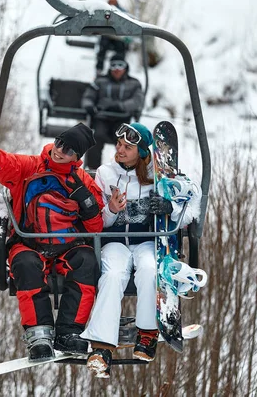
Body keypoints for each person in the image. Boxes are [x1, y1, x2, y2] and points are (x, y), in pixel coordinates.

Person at [0, 122, 104, 362]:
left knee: (87, 261)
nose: (60, 151)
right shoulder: (29, 168)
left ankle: (69, 331)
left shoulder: (83, 182)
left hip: (67, 247)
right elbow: (1, 161)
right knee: (25, 264)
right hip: (30, 243)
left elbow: (96, 228)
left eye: (68, 150)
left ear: (76, 157)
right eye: (59, 143)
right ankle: (39, 334)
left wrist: (87, 204)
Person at [79, 122, 195, 378]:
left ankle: (147, 332)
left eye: (127, 147)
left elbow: (187, 206)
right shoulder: (104, 173)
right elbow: (99, 221)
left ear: (141, 152)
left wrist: (167, 207)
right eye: (119, 145)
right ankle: (101, 346)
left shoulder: (159, 175)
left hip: (146, 240)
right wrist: (111, 209)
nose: (119, 150)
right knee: (113, 275)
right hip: (115, 242)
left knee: (149, 270)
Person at [82, 55, 145, 170]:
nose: (117, 69)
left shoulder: (133, 83)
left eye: (120, 65)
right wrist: (89, 106)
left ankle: (123, 168)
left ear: (126, 68)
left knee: (124, 141)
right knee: (96, 137)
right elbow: (88, 96)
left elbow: (137, 100)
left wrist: (121, 106)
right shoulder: (100, 81)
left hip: (122, 119)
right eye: (113, 65)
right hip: (102, 118)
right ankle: (93, 169)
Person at [95, 0, 131, 75]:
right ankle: (99, 70)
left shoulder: (121, 11)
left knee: (121, 49)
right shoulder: (103, 9)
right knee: (102, 47)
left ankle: (121, 69)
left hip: (117, 37)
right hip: (106, 35)